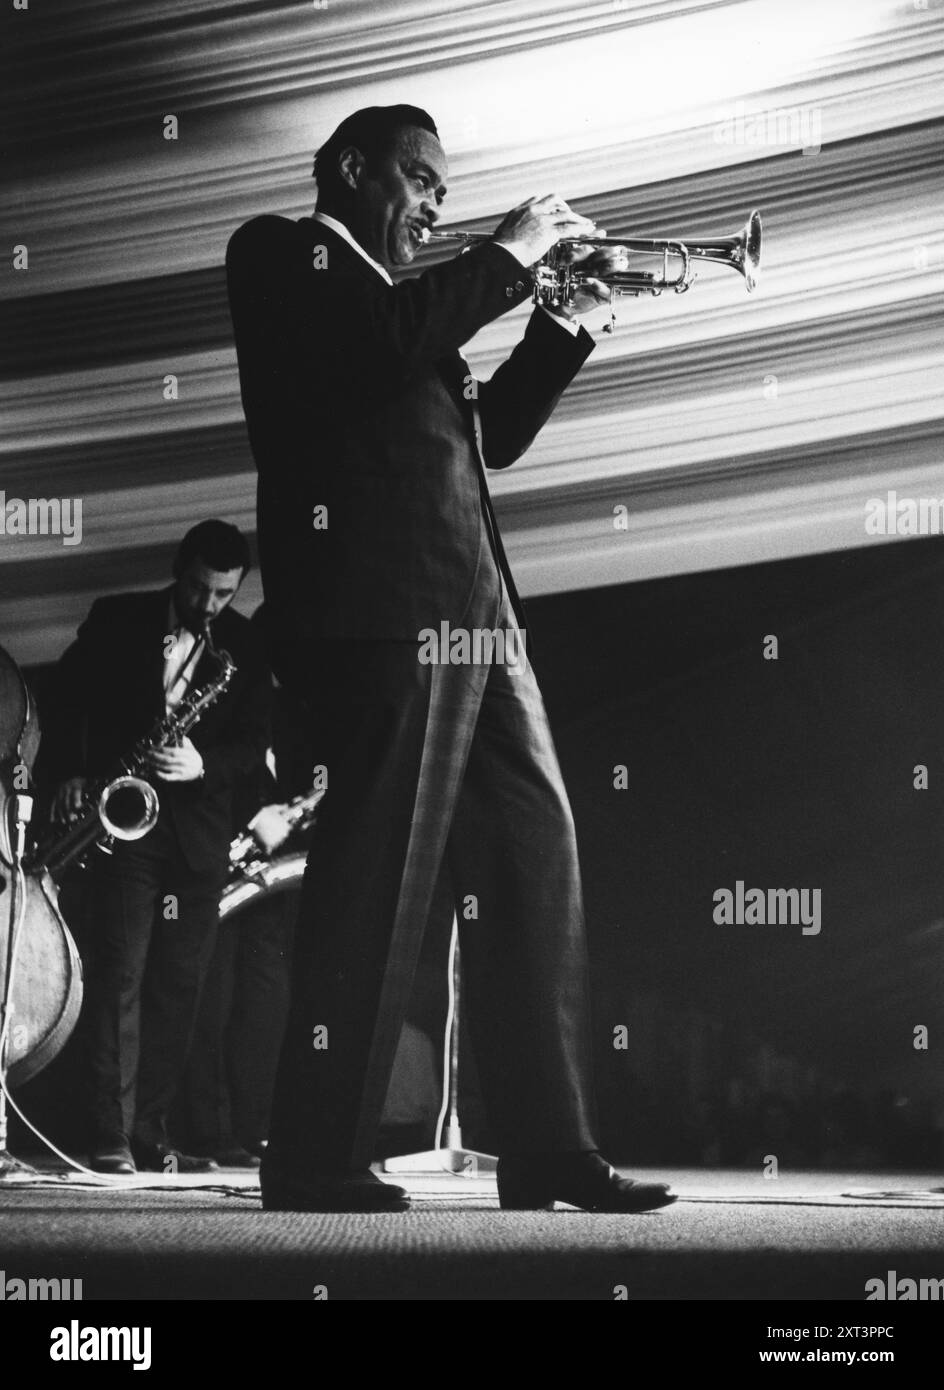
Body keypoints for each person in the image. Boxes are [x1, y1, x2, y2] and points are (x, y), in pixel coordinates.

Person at [226, 104, 676, 1213]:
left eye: (442, 187)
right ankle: (314, 1155)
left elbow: (497, 437)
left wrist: (561, 324)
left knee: (536, 858)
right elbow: (371, 349)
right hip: (382, 615)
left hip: (480, 617)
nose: (434, 201)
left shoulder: (408, 317)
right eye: (420, 178)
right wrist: (505, 256)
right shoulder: (289, 254)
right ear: (350, 168)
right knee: (375, 878)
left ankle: (546, 1147)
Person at [46, 520, 271, 1174]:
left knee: (178, 987)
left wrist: (203, 763)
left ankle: (149, 1131)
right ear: (180, 571)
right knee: (119, 975)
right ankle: (109, 1136)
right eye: (200, 588)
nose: (209, 606)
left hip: (198, 837)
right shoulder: (117, 619)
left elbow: (255, 740)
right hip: (127, 825)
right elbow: (65, 698)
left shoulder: (245, 644)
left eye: (224, 594)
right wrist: (71, 774)